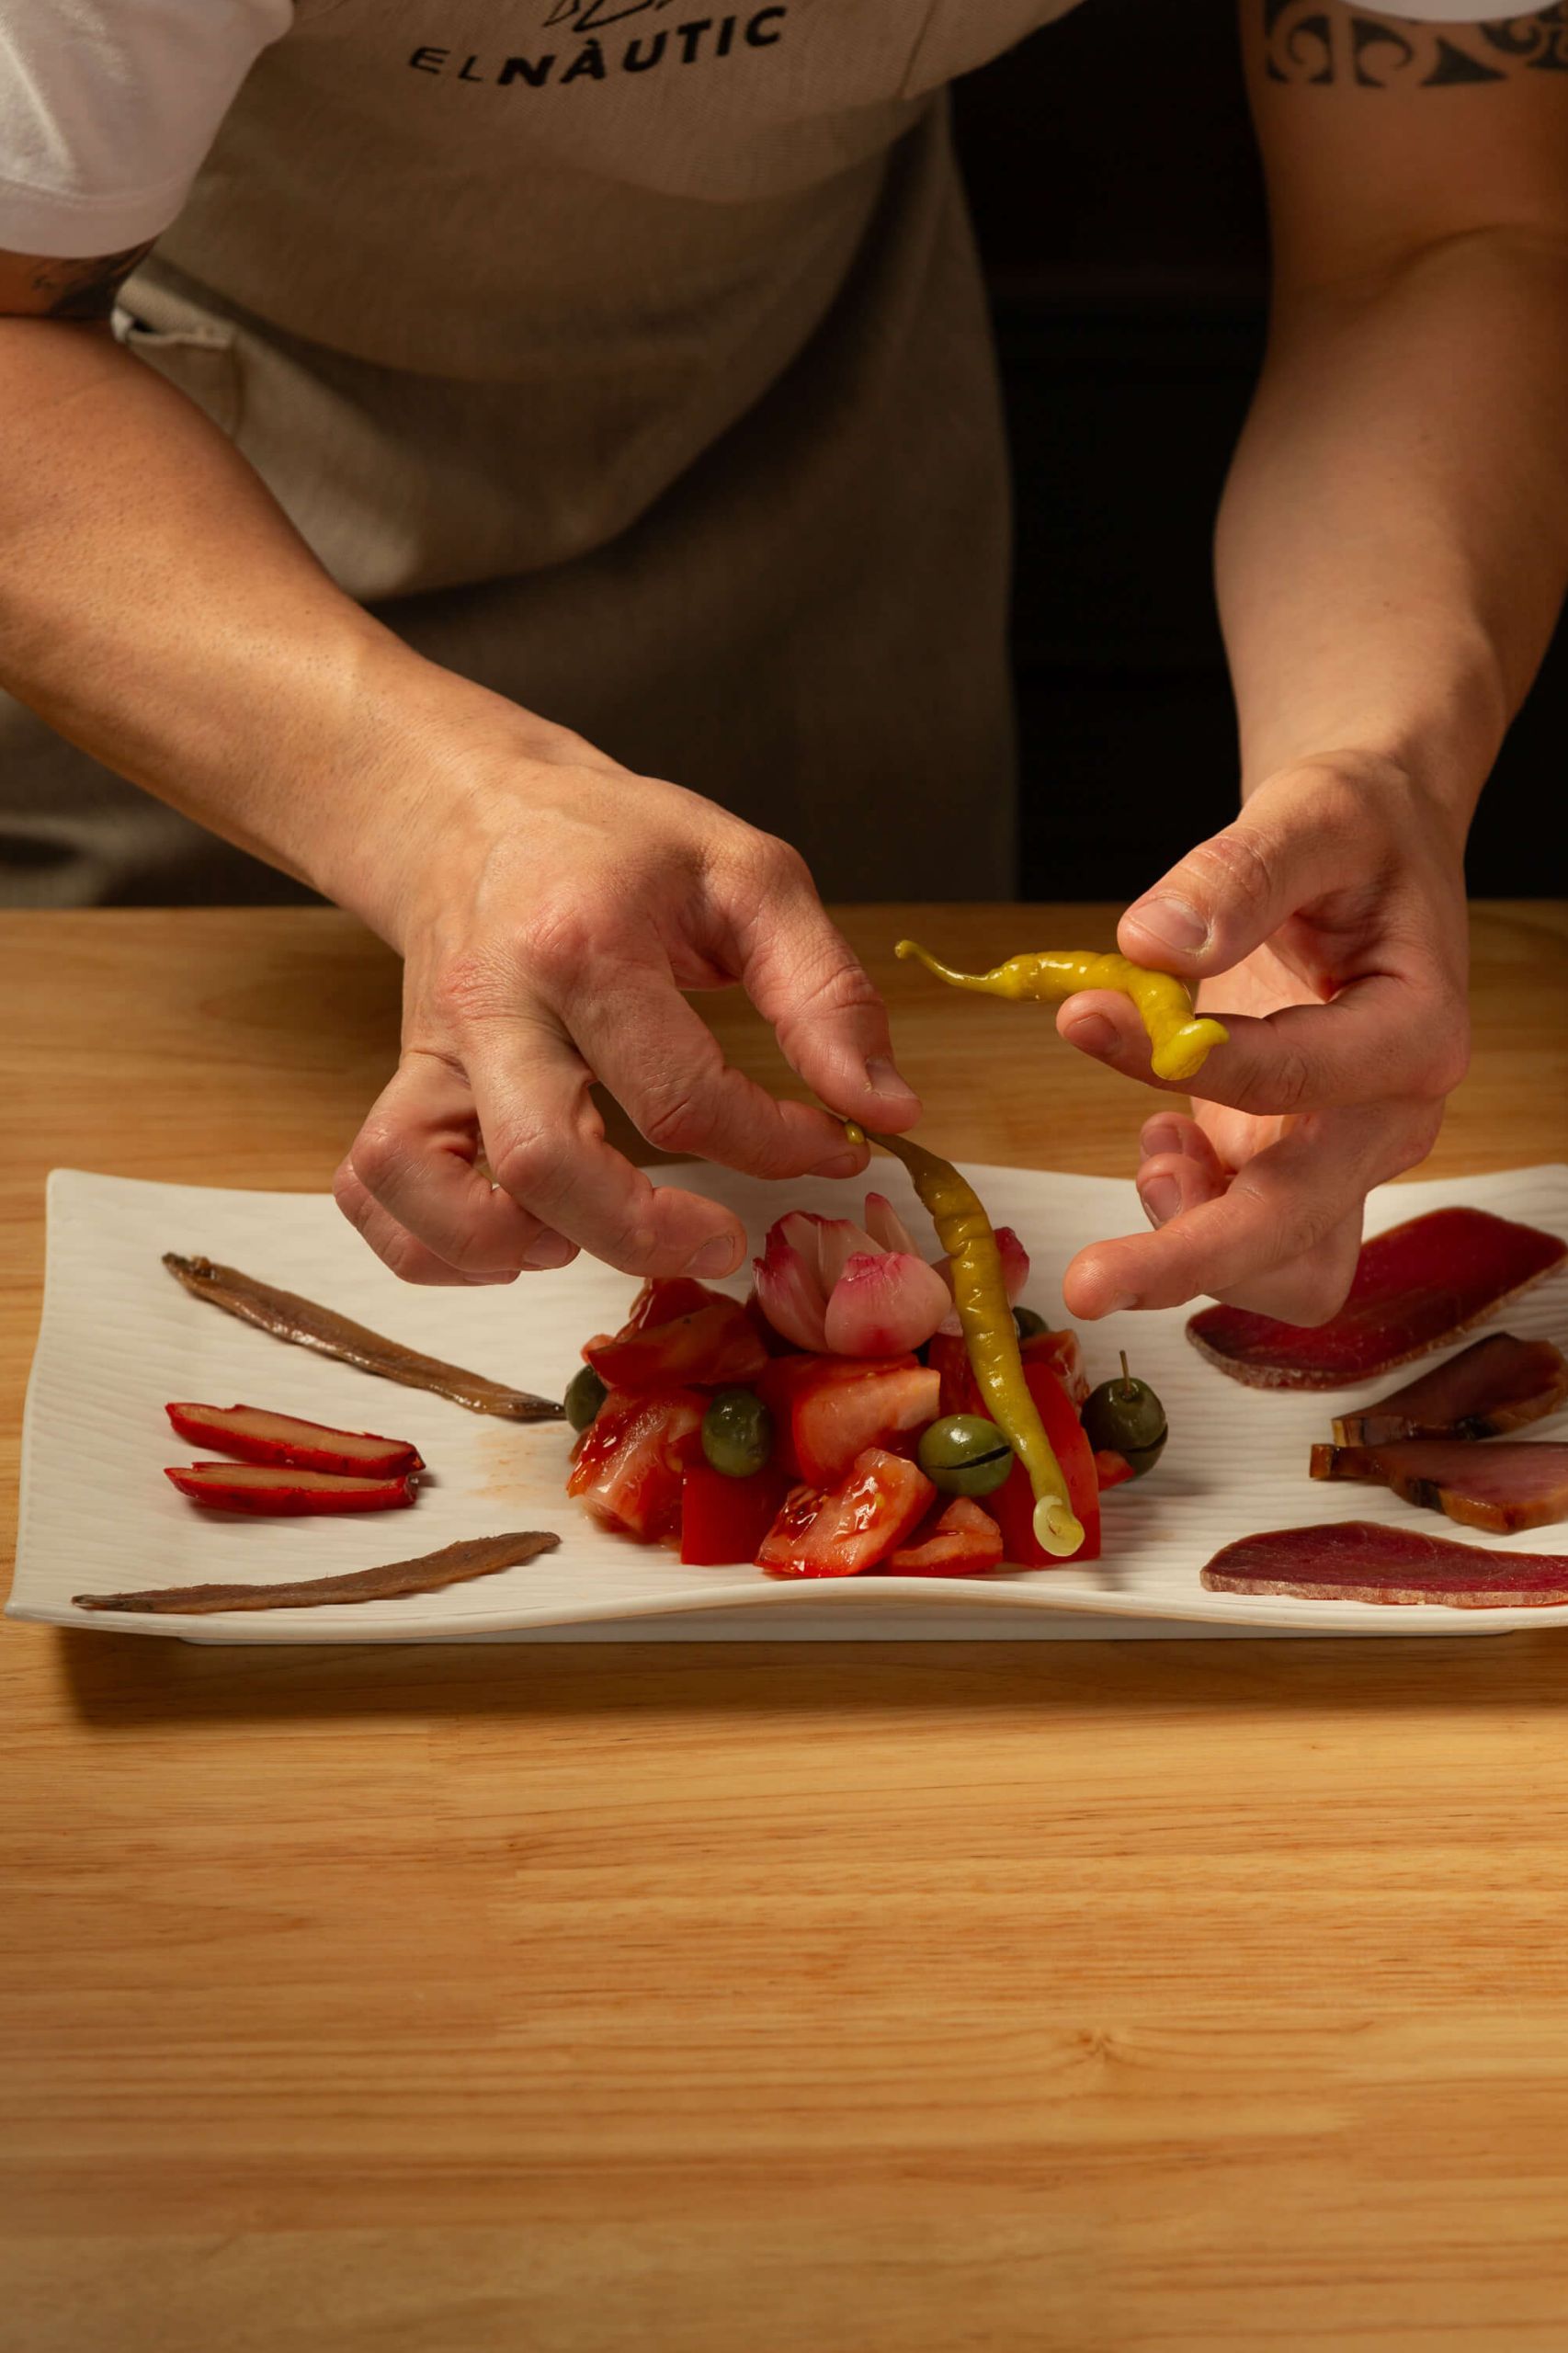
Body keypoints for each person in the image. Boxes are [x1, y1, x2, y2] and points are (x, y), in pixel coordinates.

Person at [1, 0, 1563, 1327]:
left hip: (816, 466)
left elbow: (1437, 234)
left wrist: (1377, 756)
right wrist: (428, 798)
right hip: (178, 570)